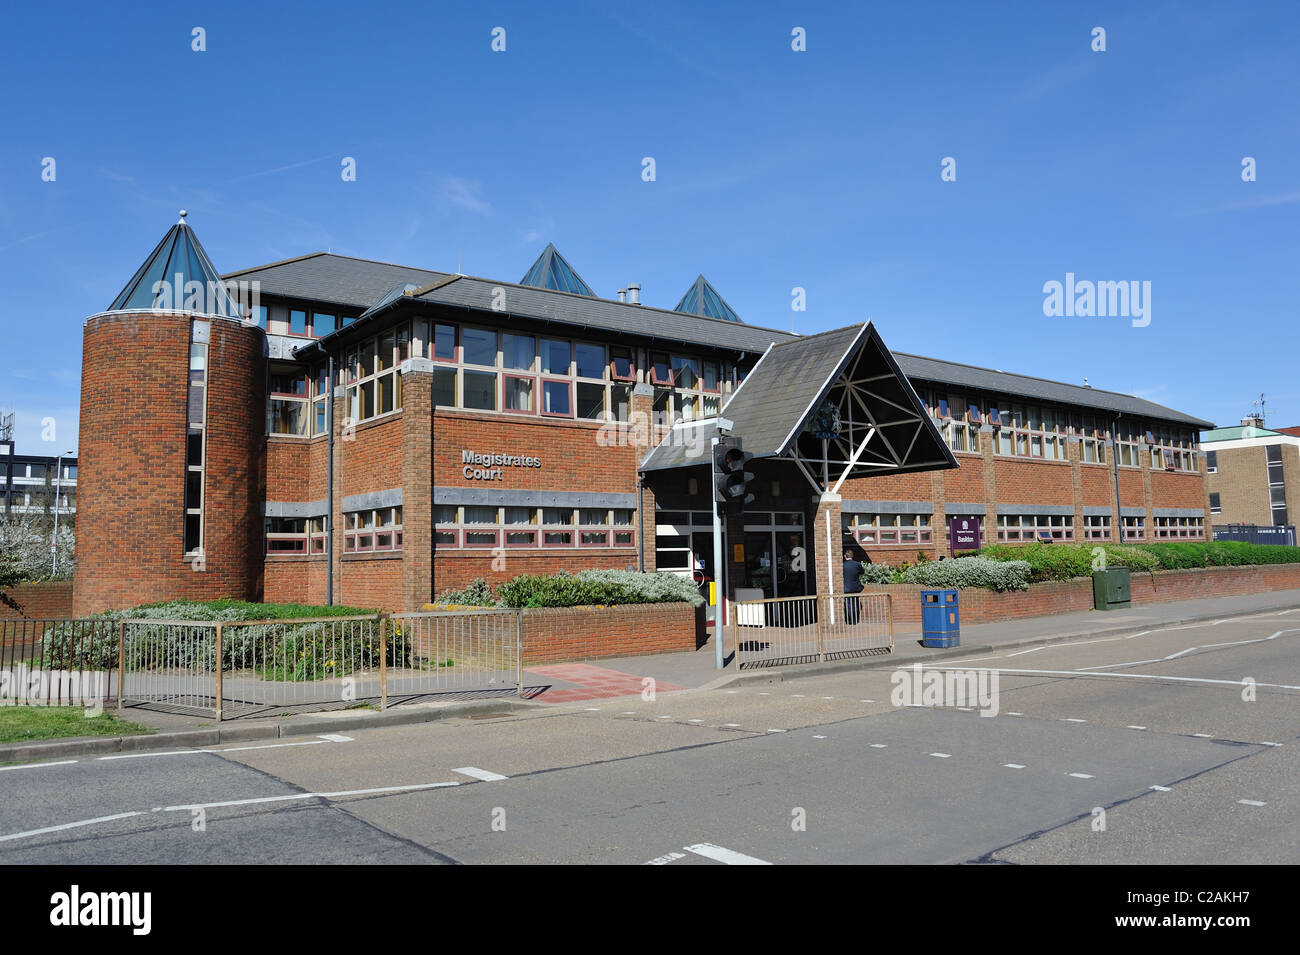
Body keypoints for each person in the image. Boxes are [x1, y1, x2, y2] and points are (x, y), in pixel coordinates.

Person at [842, 547, 864, 625]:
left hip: (846, 588)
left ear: (845, 556)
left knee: (848, 605)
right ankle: (856, 620)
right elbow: (862, 572)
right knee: (856, 603)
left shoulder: (843, 566)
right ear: (852, 556)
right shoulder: (857, 564)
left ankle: (850, 621)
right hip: (856, 587)